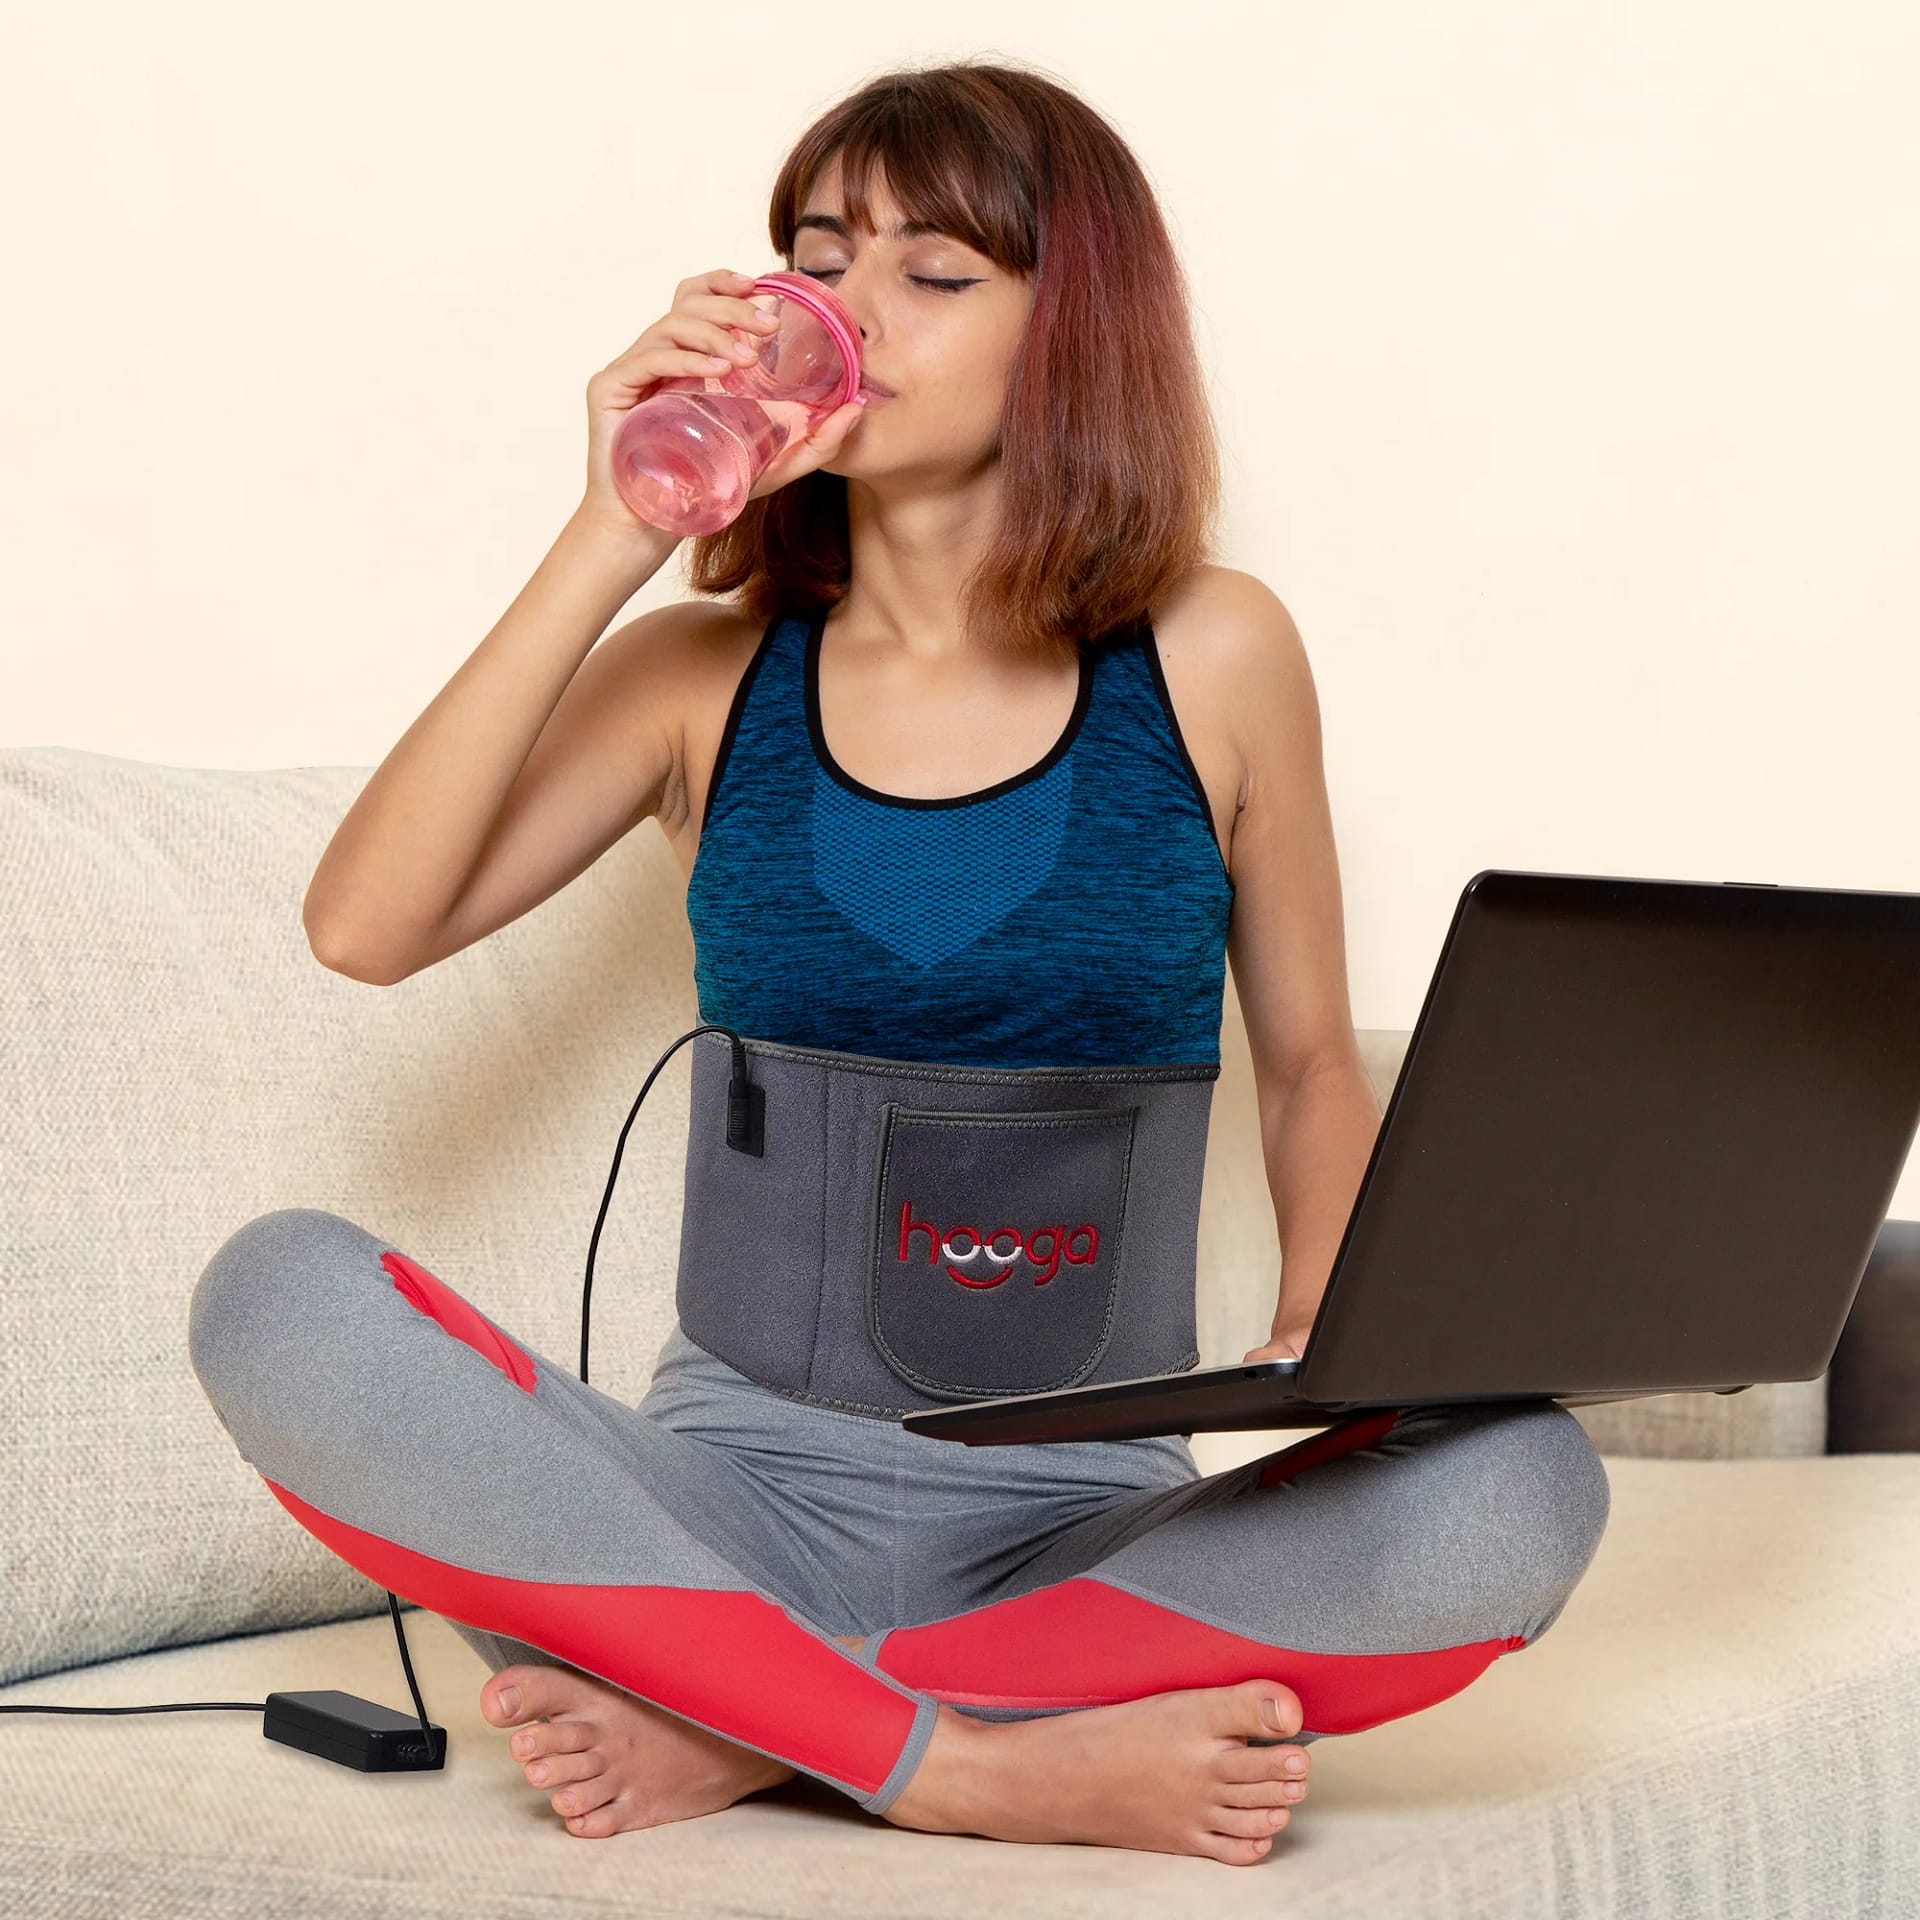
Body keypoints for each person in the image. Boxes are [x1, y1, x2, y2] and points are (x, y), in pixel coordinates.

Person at [189, 59, 1611, 1866]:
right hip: (718, 1501)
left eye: (933, 275)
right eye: (816, 250)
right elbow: (362, 928)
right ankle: (957, 1759)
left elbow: (1315, 1061)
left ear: (1071, 336)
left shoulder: (1217, 654)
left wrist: (1339, 1323)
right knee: (279, 1296)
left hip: (1080, 1530)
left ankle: (762, 1718)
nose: (842, 310)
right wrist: (619, 524)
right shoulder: (698, 678)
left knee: (1522, 1484)